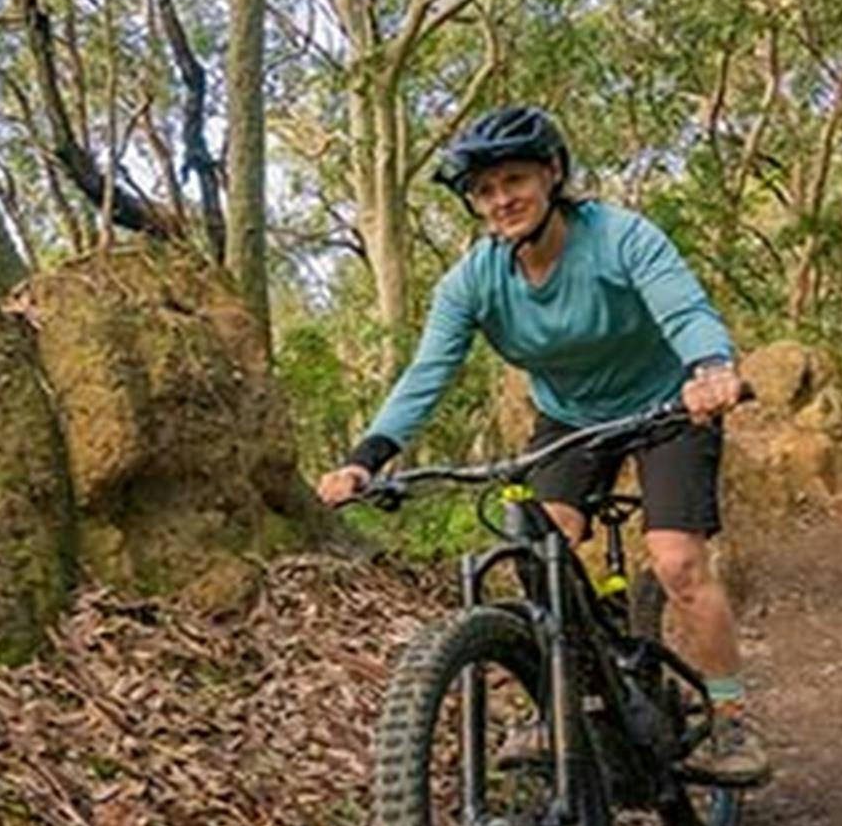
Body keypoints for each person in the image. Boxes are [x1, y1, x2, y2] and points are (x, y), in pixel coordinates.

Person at [315, 105, 768, 786]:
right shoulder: (474, 280)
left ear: (553, 174)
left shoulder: (619, 238)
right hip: (568, 420)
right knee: (540, 547)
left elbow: (684, 309)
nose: (502, 200)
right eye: (486, 191)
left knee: (676, 562)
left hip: (668, 404)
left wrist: (711, 370)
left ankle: (731, 718)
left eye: (515, 180)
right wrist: (366, 456)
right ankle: (569, 694)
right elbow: (428, 371)